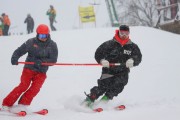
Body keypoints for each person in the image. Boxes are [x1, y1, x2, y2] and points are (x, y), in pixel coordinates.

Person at [2, 24, 58, 110]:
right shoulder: (31, 42)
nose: (43, 37)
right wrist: (14, 57)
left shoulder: (52, 45)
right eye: (41, 35)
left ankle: (23, 105)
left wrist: (43, 62)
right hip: (29, 68)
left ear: (48, 34)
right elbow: (19, 51)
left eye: (45, 35)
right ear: (37, 34)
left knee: (35, 88)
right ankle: (6, 103)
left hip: (42, 71)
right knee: (24, 85)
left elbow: (53, 60)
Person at [83, 25, 142, 107]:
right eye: (122, 33)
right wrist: (102, 60)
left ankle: (104, 101)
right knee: (103, 85)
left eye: (126, 33)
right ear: (118, 32)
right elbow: (98, 53)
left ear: (129, 33)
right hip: (108, 70)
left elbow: (138, 57)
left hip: (123, 71)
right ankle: (89, 100)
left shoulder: (132, 46)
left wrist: (133, 60)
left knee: (118, 86)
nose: (124, 35)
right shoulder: (109, 44)